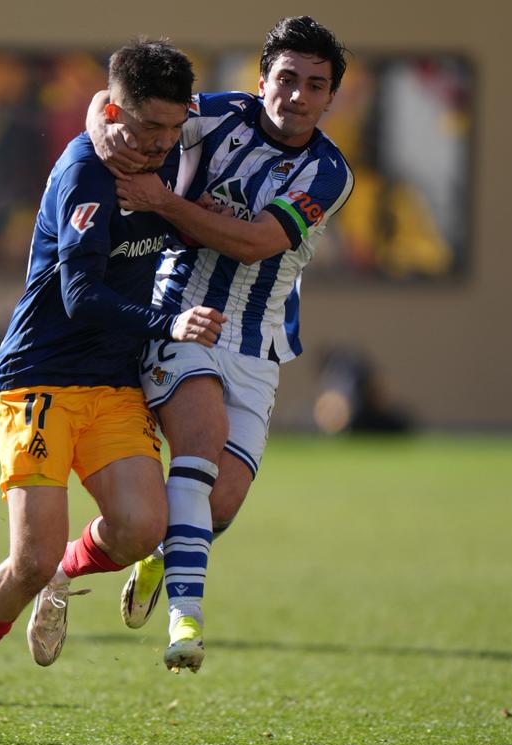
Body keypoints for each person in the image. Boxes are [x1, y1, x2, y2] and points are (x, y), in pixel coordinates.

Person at [0, 39, 226, 744]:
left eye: (172, 129)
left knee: (141, 530)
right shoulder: (86, 175)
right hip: (40, 380)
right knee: (27, 560)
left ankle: (60, 573)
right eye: (146, 128)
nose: (159, 144)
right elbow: (82, 295)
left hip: (113, 384)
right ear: (112, 111)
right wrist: (169, 320)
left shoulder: (162, 143)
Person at [87, 16, 354, 673]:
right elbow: (113, 102)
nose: (296, 95)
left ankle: (150, 559)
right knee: (199, 447)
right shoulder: (216, 115)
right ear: (261, 80)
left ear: (329, 99)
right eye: (286, 78)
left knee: (219, 505)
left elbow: (258, 241)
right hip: (181, 315)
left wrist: (163, 201)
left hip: (259, 343)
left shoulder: (329, 172)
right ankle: (187, 620)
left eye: (314, 85)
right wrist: (101, 131)